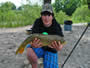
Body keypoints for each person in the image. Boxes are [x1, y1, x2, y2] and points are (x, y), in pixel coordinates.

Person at [26, 3, 64, 68]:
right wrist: (33, 44)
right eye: (44, 14)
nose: (46, 18)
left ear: (52, 16)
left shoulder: (56, 26)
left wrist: (59, 47)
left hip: (51, 49)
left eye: (49, 15)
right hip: (39, 46)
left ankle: (47, 59)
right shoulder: (37, 22)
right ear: (41, 15)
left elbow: (61, 41)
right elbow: (32, 37)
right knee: (29, 49)